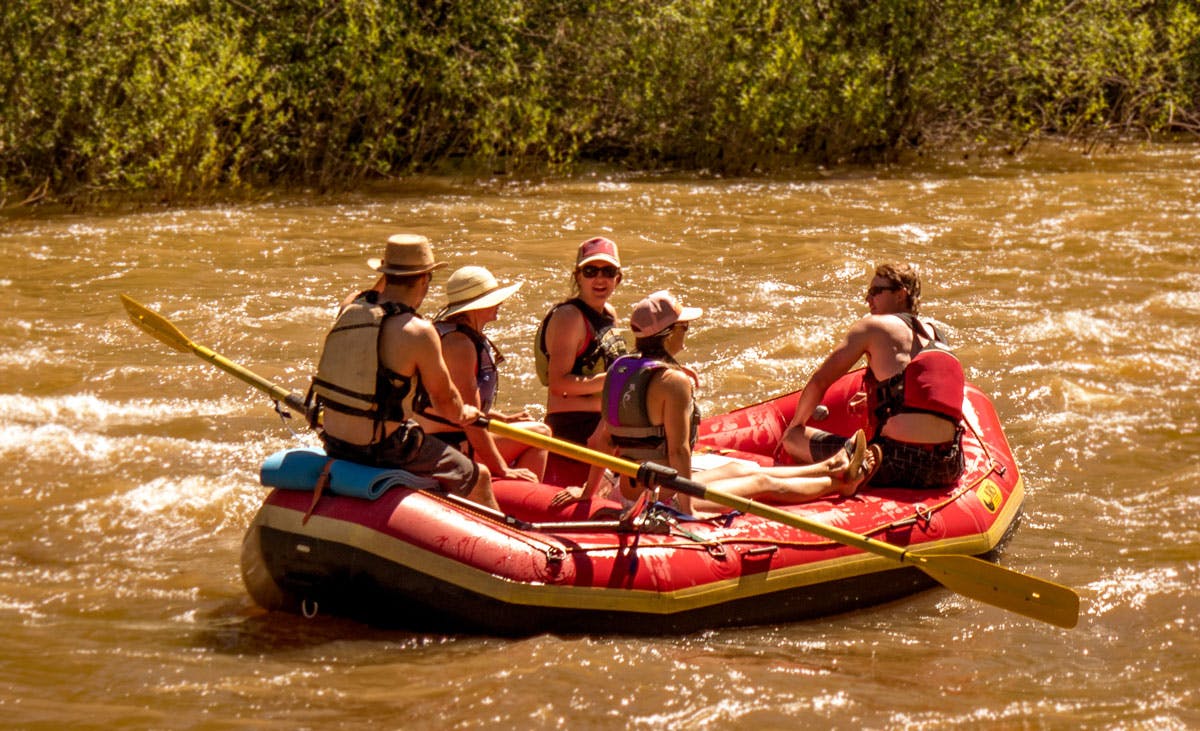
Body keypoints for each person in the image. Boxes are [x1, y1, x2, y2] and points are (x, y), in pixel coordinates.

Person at [552, 291, 877, 514]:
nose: (687, 334)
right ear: (668, 334)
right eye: (684, 328)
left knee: (737, 467)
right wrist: (688, 506)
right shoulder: (673, 382)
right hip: (664, 497)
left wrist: (587, 491)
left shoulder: (618, 371)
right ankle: (839, 482)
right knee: (761, 481)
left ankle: (827, 466)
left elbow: (600, 440)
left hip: (630, 490)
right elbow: (679, 451)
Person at [307, 234, 499, 510]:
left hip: (334, 441)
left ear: (385, 274)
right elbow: (447, 404)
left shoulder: (349, 308)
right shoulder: (418, 332)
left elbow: (370, 294)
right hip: (382, 449)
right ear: (425, 280)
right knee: (477, 476)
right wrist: (467, 414)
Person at [781, 263, 965, 489]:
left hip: (896, 462)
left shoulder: (873, 327)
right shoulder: (937, 335)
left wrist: (795, 425)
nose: (868, 299)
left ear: (900, 295)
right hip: (950, 465)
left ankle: (830, 487)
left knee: (793, 439)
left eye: (876, 291)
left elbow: (820, 382)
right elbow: (926, 394)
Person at [415, 265, 550, 482]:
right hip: (448, 445)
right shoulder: (460, 345)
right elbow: (470, 420)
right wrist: (502, 468)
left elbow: (455, 402)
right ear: (476, 307)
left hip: (437, 437)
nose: (500, 303)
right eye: (494, 299)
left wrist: (498, 417)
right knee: (540, 433)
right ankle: (518, 496)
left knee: (527, 429)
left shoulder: (448, 333)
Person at [534, 237, 628, 477]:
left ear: (618, 277)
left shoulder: (609, 313)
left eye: (608, 271)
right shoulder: (569, 318)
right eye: (590, 271)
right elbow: (558, 384)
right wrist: (611, 382)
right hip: (574, 427)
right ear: (578, 276)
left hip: (604, 421)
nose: (600, 279)